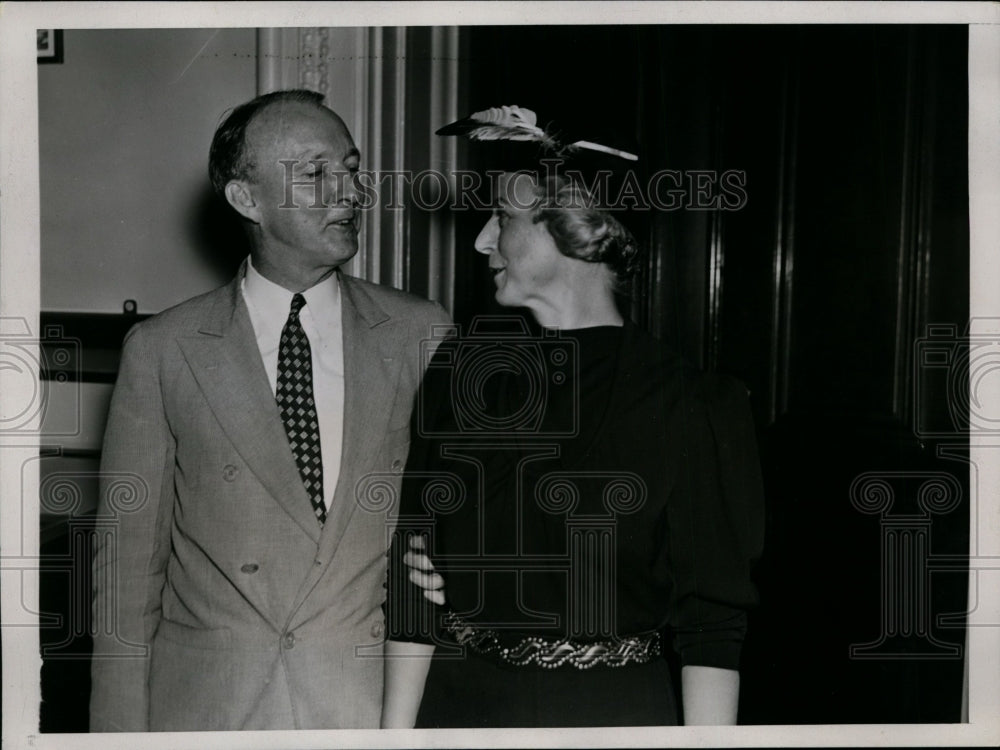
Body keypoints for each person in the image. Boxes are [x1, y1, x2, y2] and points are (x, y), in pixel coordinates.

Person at [381, 108, 764, 727]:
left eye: (502, 218)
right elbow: (413, 582)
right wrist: (393, 741)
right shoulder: (460, 369)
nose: (482, 240)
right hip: (457, 707)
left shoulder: (691, 404)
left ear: (573, 226)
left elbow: (711, 627)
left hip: (611, 715)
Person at [89, 89, 450, 731]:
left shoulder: (419, 334)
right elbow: (126, 575)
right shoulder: (165, 349)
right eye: (316, 173)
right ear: (246, 198)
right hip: (209, 711)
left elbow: (446, 536)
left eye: (352, 169)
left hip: (364, 705)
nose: (350, 192)